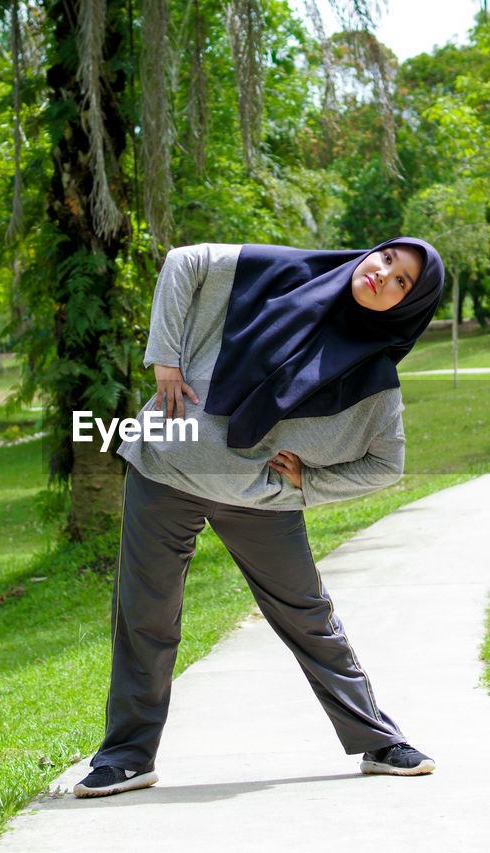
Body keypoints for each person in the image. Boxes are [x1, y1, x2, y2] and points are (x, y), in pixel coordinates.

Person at [73, 238, 446, 799]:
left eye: (402, 283)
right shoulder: (277, 272)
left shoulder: (374, 378)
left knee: (306, 615)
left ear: (406, 307)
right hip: (164, 467)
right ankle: (127, 756)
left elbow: (387, 465)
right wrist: (166, 358)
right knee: (145, 612)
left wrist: (310, 483)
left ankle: (379, 742)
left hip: (259, 499)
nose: (383, 275)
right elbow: (183, 261)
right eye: (388, 259)